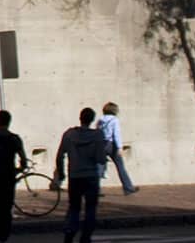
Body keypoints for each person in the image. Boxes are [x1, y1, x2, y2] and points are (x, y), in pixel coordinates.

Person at [51, 106, 110, 243]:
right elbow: (101, 159)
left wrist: (61, 173)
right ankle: (86, 237)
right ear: (92, 120)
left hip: (75, 176)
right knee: (90, 208)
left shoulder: (69, 134)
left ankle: (70, 233)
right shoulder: (98, 135)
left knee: (74, 207)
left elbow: (60, 156)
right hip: (91, 176)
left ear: (80, 118)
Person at [0, 110, 28, 243]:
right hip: (8, 177)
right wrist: (18, 170)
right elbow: (23, 159)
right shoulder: (14, 139)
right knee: (6, 208)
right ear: (9, 121)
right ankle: (3, 236)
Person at [98, 102, 137, 195]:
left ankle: (96, 189)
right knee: (120, 167)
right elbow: (116, 134)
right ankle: (128, 188)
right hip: (111, 145)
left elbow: (97, 132)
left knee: (99, 167)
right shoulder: (114, 120)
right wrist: (119, 147)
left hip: (101, 144)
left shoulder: (100, 120)